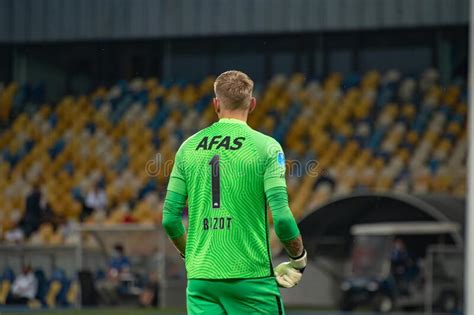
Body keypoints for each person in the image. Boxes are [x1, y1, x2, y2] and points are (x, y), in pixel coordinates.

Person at [162, 70, 307, 314]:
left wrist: (194, 257)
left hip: (201, 282)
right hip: (250, 278)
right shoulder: (266, 147)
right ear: (252, 104)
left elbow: (169, 219)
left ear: (216, 104)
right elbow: (282, 218)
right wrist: (298, 260)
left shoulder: (187, 148)